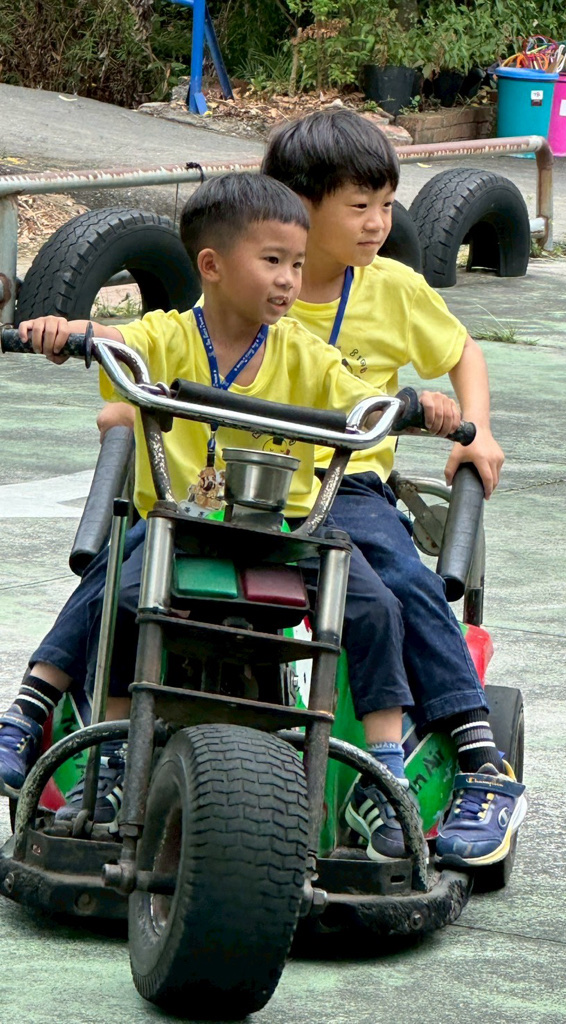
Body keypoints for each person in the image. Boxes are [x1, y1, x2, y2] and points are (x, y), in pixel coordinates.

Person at [68, 110, 529, 869]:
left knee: (395, 579)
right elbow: (153, 356)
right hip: (234, 485)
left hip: (345, 484)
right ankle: (61, 716)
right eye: (360, 206)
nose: (379, 223)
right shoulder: (234, 292)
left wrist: (474, 432)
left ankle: (479, 757)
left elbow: (461, 353)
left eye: (387, 206)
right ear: (293, 206)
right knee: (123, 560)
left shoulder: (390, 290)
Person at [0, 171, 463, 862]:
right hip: (182, 529)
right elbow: (114, 339)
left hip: (287, 532)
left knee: (372, 604)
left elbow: (357, 395)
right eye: (273, 261)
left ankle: (385, 768)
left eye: (296, 264)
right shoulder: (166, 337)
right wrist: (63, 332)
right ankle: (86, 739)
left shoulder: (304, 354)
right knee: (120, 590)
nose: (288, 280)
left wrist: (417, 406)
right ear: (212, 266)